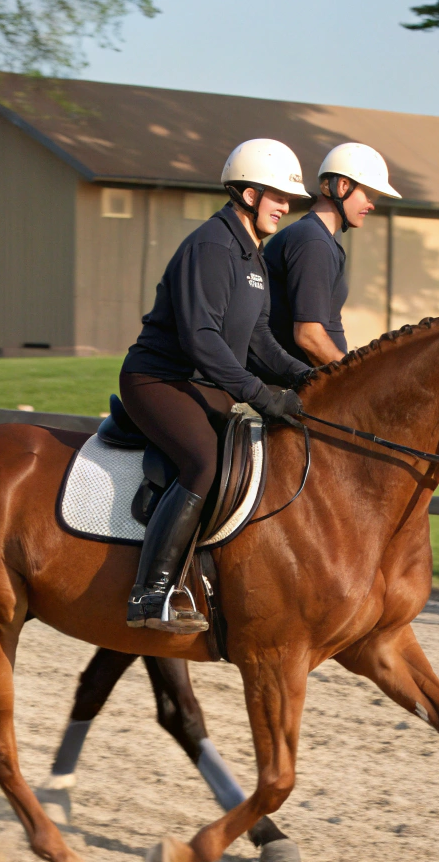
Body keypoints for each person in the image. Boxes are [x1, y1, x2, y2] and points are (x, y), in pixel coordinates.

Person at [119, 139, 314, 631]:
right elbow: (202, 339)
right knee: (204, 460)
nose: (286, 207)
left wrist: (306, 377)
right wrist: (260, 394)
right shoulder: (212, 245)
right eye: (278, 196)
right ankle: (152, 594)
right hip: (158, 379)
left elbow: (260, 339)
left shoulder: (253, 256)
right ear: (249, 194)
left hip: (205, 385)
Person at [263, 142, 401, 366]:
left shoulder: (320, 238)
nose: (372, 205)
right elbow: (308, 336)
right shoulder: (313, 240)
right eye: (369, 194)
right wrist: (354, 376)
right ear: (343, 186)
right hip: (293, 384)